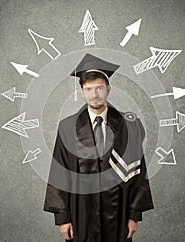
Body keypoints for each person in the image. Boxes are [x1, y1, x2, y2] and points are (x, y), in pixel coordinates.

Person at [44, 54, 153, 242]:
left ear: (108, 90)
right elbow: (59, 173)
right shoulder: (67, 127)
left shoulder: (128, 126)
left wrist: (134, 215)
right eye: (89, 89)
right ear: (81, 91)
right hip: (81, 212)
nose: (94, 95)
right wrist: (63, 218)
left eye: (99, 88)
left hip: (118, 210)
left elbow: (137, 170)